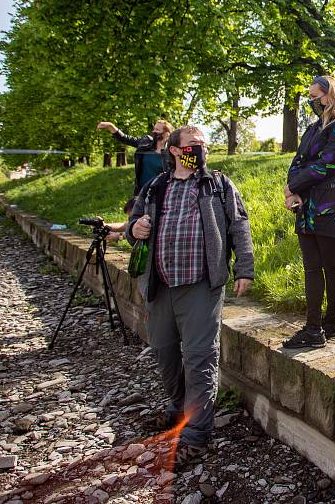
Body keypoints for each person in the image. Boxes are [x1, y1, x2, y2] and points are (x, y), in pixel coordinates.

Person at [126, 125, 254, 464]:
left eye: (204, 146)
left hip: (201, 286)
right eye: (193, 145)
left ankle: (196, 435)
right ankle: (178, 408)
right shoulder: (156, 187)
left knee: (199, 359)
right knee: (165, 352)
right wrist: (133, 228)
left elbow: (239, 224)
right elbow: (133, 224)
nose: (200, 151)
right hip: (160, 285)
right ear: (174, 150)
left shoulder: (218, 185)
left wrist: (245, 267)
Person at [281, 76, 335, 349]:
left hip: (333, 205)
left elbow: (326, 165)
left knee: (331, 266)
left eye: (318, 97)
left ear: (331, 95)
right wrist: (293, 190)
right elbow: (298, 161)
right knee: (312, 267)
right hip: (308, 207)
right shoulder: (313, 128)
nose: (313, 102)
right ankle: (314, 327)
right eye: (311, 97)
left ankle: (327, 324)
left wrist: (294, 185)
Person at [97, 119, 173, 195]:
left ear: (166, 134)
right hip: (141, 192)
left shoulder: (171, 153)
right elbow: (125, 138)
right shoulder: (145, 142)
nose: (154, 131)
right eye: (154, 129)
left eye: (157, 130)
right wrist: (111, 126)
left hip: (159, 194)